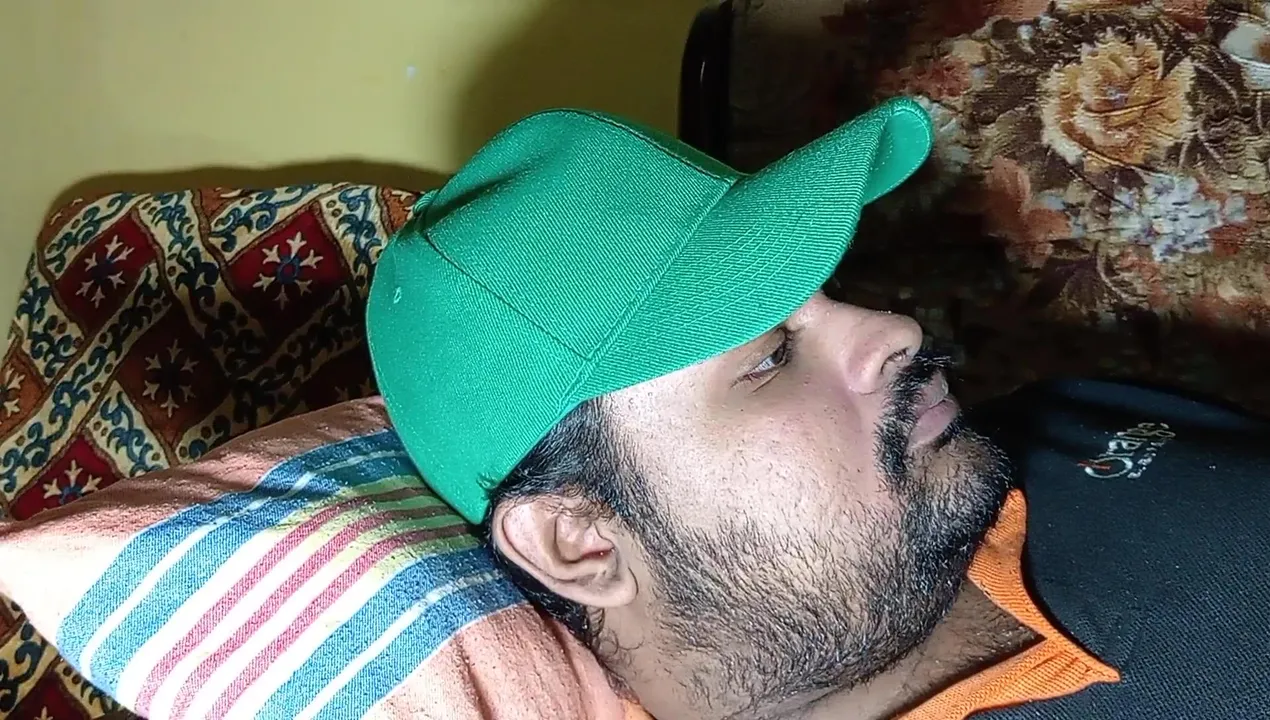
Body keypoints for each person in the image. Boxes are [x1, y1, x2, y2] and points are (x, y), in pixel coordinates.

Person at [365, 98, 1270, 719]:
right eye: (769, 357)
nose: (895, 330)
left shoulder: (1053, 421)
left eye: (830, 291)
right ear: (579, 542)